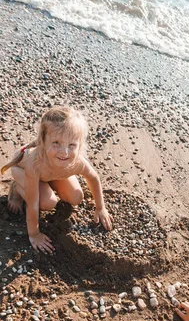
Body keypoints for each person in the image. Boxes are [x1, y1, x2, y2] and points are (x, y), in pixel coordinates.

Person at [1, 106, 112, 253]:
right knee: (48, 202)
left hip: (51, 172)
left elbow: (93, 178)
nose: (65, 152)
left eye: (72, 145)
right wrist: (34, 234)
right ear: (43, 140)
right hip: (23, 171)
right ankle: (16, 188)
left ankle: (49, 182)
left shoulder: (76, 161)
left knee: (76, 197)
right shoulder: (34, 164)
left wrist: (100, 208)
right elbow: (33, 204)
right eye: (56, 143)